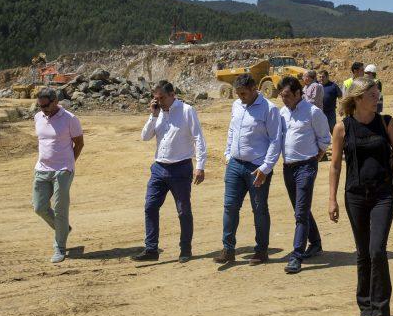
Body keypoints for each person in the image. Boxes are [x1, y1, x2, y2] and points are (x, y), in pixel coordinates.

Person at [328, 77, 393, 316]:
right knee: (363, 252)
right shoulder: (342, 128)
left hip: (383, 195)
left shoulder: (386, 122)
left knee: (377, 250)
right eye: (373, 95)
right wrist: (331, 198)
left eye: (378, 94)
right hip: (354, 195)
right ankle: (365, 306)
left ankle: (381, 310)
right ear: (358, 98)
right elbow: (335, 165)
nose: (378, 99)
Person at [132, 80, 206, 263]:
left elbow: (198, 138)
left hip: (180, 168)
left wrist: (200, 166)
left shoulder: (187, 111)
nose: (159, 101)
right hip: (158, 168)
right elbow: (145, 137)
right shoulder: (158, 113)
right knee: (150, 207)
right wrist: (153, 115)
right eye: (156, 98)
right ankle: (151, 249)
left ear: (172, 94)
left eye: (162, 98)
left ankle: (185, 249)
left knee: (183, 210)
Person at [214, 73, 282, 265]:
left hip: (257, 168)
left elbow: (275, 141)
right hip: (235, 165)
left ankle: (261, 251)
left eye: (243, 93)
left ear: (254, 89)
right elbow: (232, 130)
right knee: (230, 207)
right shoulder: (237, 105)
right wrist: (228, 155)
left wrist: (266, 168)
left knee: (259, 209)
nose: (240, 97)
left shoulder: (269, 109)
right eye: (238, 93)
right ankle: (228, 249)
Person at [278, 76, 331, 274]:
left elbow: (325, 137)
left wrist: (318, 154)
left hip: (306, 167)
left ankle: (297, 255)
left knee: (300, 212)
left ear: (299, 93)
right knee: (302, 208)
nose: (284, 99)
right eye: (282, 95)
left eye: (288, 95)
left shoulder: (312, 112)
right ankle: (315, 242)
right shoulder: (281, 113)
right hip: (288, 167)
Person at [32, 87, 84, 263]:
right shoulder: (38, 117)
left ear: (55, 102)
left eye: (45, 106)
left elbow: (79, 143)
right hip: (42, 169)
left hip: (63, 170)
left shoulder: (70, 119)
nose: (43, 110)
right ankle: (63, 229)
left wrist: (69, 164)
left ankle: (59, 247)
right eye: (40, 106)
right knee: (39, 207)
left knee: (61, 209)